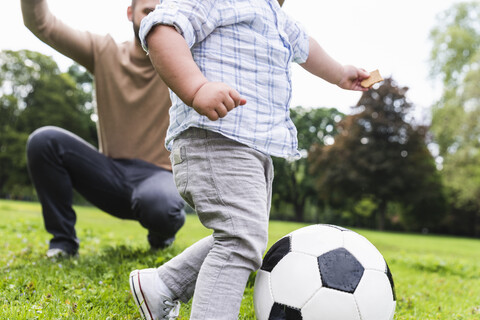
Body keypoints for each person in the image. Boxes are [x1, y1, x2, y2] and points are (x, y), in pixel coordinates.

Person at [129, 0, 370, 319]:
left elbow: (307, 48)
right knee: (241, 237)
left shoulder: (277, 17)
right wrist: (197, 87)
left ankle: (163, 285)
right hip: (214, 136)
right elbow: (161, 29)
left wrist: (341, 73)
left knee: (245, 235)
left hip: (254, 147)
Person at [22, 0, 186, 258]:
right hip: (109, 176)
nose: (155, 19)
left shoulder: (185, 64)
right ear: (130, 13)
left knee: (160, 204)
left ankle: (161, 236)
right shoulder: (104, 52)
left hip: (159, 178)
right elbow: (42, 24)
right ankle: (63, 244)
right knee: (44, 141)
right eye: (148, 12)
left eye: (162, 13)